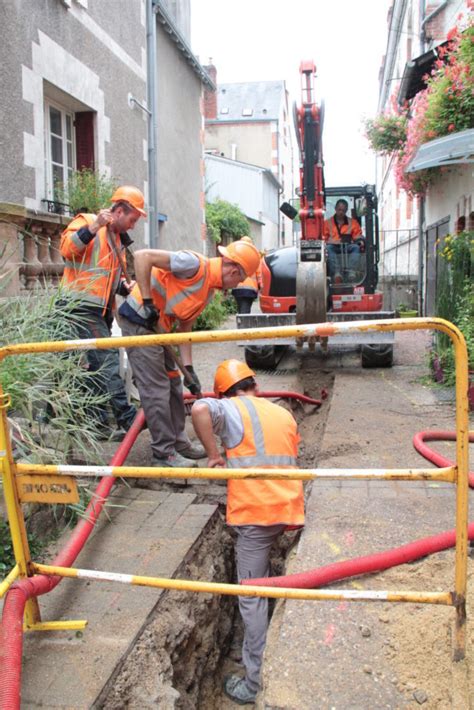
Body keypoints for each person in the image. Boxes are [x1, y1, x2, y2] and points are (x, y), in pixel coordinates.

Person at [191, 359, 304, 705]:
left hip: (255, 514)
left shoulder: (229, 408)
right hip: (286, 508)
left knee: (251, 595)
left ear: (224, 392)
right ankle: (256, 640)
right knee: (263, 581)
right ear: (254, 385)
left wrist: (213, 456)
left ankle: (254, 682)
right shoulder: (282, 412)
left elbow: (198, 410)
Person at [118, 240, 261, 468]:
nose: (236, 285)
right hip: (138, 321)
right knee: (156, 389)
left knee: (175, 384)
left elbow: (186, 328)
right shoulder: (193, 265)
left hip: (160, 329)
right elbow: (143, 256)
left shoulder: (208, 291)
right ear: (233, 271)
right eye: (239, 280)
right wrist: (147, 302)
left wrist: (190, 370)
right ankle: (163, 455)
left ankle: (179, 444)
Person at [59, 185, 145, 439]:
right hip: (78, 307)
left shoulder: (118, 242)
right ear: (118, 211)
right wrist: (94, 226)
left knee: (96, 369)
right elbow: (66, 250)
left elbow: (107, 281)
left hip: (100, 311)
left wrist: (124, 287)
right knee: (106, 363)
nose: (133, 226)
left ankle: (98, 425)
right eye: (132, 219)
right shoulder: (86, 222)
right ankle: (127, 418)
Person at [323, 198, 365, 284]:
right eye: (339, 210)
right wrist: (331, 242)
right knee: (328, 248)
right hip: (333, 247)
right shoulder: (327, 223)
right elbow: (323, 238)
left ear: (346, 210)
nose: (341, 212)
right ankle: (336, 273)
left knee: (356, 248)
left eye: (343, 210)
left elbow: (357, 235)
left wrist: (360, 241)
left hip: (348, 246)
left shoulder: (353, 223)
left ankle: (351, 272)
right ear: (335, 209)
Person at [231, 237, 262, 314]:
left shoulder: (235, 255)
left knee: (241, 310)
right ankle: (244, 325)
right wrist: (261, 285)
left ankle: (241, 323)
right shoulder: (255, 256)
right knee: (245, 311)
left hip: (237, 288)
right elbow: (259, 273)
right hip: (250, 289)